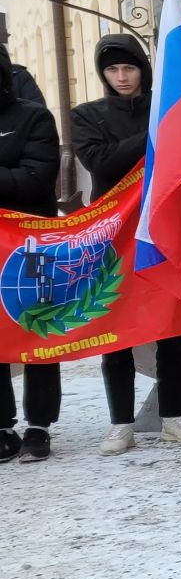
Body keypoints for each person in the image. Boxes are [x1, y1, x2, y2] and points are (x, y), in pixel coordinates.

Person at [71, 33, 181, 456]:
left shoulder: (169, 108)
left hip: (165, 227)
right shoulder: (87, 115)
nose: (121, 76)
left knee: (171, 324)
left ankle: (173, 417)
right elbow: (100, 161)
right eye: (112, 69)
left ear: (143, 69)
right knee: (116, 326)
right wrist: (155, 135)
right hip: (112, 234)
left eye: (128, 67)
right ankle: (121, 423)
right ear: (102, 73)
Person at [0, 43, 61, 463]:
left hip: (29, 245)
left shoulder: (33, 116)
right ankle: (2, 426)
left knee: (37, 331)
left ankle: (39, 425)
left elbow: (36, 179)